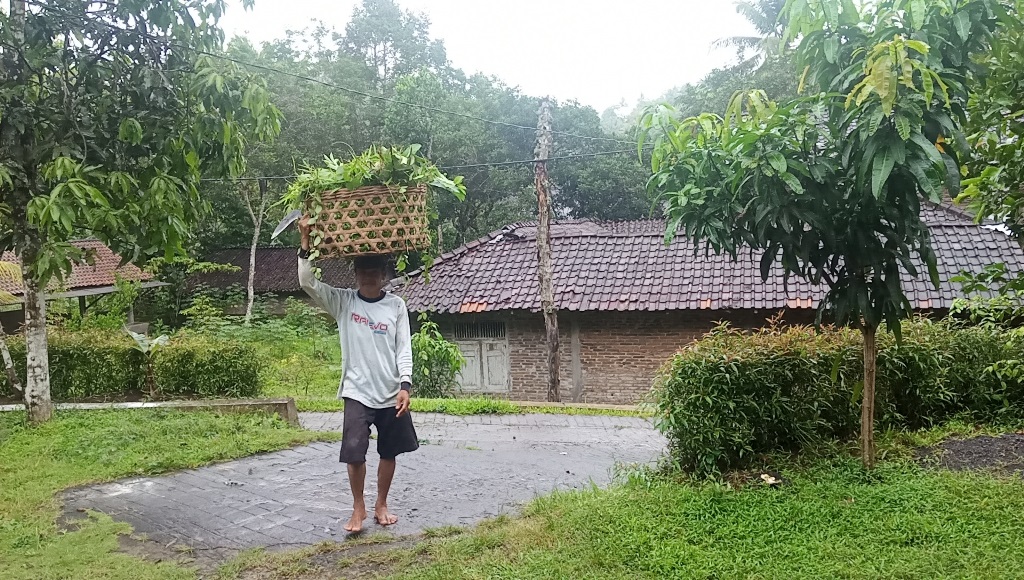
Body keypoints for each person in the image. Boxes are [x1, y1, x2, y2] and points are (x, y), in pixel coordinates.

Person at [296, 218, 418, 533]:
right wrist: (305, 240)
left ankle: (381, 503)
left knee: (390, 450)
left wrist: (405, 384)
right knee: (354, 451)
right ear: (356, 275)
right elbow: (307, 282)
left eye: (374, 272)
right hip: (357, 391)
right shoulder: (344, 303)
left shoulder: (396, 306)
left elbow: (404, 347)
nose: (368, 277)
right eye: (363, 272)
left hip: (391, 393)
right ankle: (358, 506)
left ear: (384, 276)